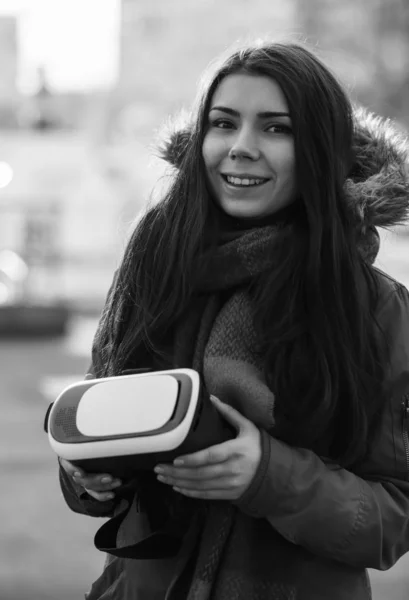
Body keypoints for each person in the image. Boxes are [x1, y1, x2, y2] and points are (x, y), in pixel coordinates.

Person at [58, 40, 409, 600]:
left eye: (277, 129)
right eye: (223, 123)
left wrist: (268, 477)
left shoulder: (375, 307)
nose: (240, 148)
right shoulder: (155, 267)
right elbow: (99, 420)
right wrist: (88, 476)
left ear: (320, 149)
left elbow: (394, 516)